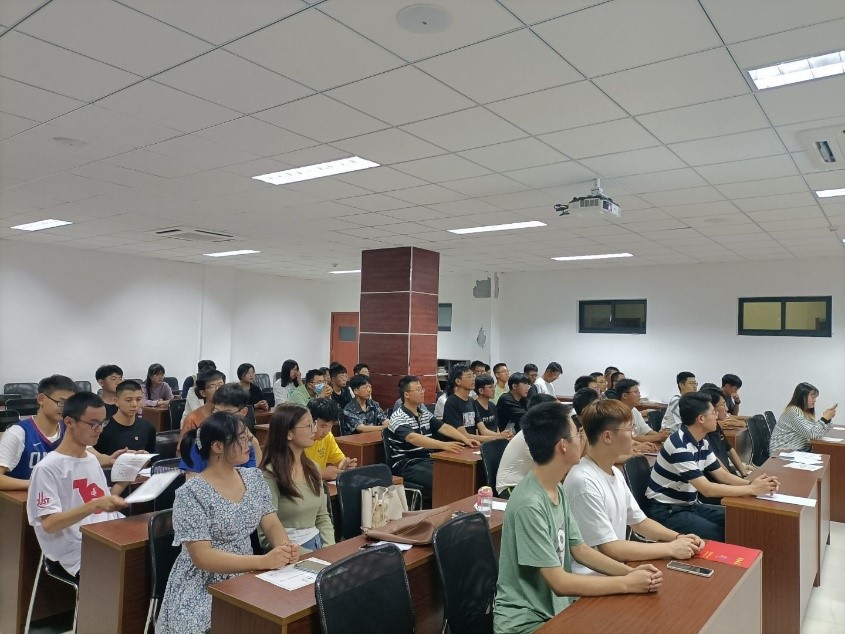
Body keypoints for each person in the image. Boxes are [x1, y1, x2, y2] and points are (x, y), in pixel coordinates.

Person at [493, 401, 662, 634]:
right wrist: (626, 583)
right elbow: (560, 583)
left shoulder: (555, 487)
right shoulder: (529, 504)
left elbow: (580, 549)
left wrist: (630, 572)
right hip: (527, 621)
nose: (583, 439)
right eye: (578, 434)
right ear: (563, 446)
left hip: (558, 608)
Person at [156, 412, 297, 634]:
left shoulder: (253, 478)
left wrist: (285, 550)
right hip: (203, 584)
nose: (248, 444)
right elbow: (202, 557)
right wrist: (263, 561)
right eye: (241, 439)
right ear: (217, 446)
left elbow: (271, 523)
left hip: (248, 574)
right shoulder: (191, 493)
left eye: (248, 437)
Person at [563, 399, 704, 574]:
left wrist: (678, 537)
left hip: (619, 570)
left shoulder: (614, 471)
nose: (634, 435)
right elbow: (610, 548)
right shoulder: (583, 482)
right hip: (593, 578)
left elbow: (640, 522)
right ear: (607, 437)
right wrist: (670, 548)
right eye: (630, 429)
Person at [647, 392, 779, 541]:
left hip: (689, 505)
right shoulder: (679, 445)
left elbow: (722, 475)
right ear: (701, 419)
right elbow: (707, 489)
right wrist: (752, 489)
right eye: (713, 412)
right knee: (723, 534)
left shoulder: (701, 442)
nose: (717, 416)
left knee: (739, 521)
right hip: (667, 510)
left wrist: (751, 484)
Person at [26, 392, 131, 579]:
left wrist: (125, 479)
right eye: (93, 424)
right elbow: (49, 524)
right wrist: (94, 505)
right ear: (69, 422)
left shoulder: (91, 459)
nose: (99, 430)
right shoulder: (47, 468)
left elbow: (102, 502)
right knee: (123, 572)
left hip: (105, 536)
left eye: (103, 423)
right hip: (74, 551)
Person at [256, 404, 336, 554]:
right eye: (308, 426)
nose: (314, 430)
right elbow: (266, 538)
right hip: (290, 552)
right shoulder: (269, 475)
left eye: (313, 424)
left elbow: (323, 517)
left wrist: (329, 549)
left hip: (318, 545)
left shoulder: (313, 468)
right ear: (289, 434)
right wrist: (311, 557)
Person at [387, 375, 479, 501]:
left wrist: (464, 438)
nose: (422, 392)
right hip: (407, 464)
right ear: (407, 394)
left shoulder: (424, 413)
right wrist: (443, 445)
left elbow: (443, 427)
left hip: (426, 459)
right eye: (418, 390)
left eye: (422, 389)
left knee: (457, 472)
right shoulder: (398, 416)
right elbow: (412, 438)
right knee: (443, 478)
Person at [0, 375, 78, 490]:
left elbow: (91, 455)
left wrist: (108, 459)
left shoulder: (69, 428)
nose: (66, 409)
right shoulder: (18, 433)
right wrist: (36, 484)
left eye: (69, 404)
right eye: (61, 402)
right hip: (25, 497)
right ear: (41, 399)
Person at [180, 383, 263, 471]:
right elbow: (191, 476)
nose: (220, 418)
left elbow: (253, 472)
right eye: (216, 412)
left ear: (243, 412)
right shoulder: (202, 440)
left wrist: (252, 441)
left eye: (227, 414)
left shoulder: (245, 442)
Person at [496, 393, 558, 497]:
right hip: (511, 487)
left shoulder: (543, 433)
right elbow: (550, 465)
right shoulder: (530, 436)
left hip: (528, 484)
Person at [442, 365, 510, 443]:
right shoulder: (452, 402)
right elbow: (464, 435)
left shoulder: (471, 401)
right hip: (459, 446)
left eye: (473, 376)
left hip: (473, 444)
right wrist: (497, 437)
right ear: (458, 381)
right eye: (469, 376)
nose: (473, 379)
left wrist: (501, 435)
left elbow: (483, 430)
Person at [770, 382, 837, 453]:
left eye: (815, 398)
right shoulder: (794, 411)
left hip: (797, 451)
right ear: (802, 397)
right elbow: (813, 434)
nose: (815, 400)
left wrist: (827, 420)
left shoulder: (805, 412)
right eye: (812, 397)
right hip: (783, 452)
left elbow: (817, 432)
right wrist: (824, 419)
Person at [700, 387, 751, 478]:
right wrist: (741, 481)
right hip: (719, 480)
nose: (727, 409)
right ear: (711, 408)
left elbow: (730, 450)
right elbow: (717, 467)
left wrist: (744, 474)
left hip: (728, 474)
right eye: (723, 405)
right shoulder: (702, 434)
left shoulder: (715, 425)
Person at [94, 380, 156, 455]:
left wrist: (147, 457)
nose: (134, 404)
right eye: (128, 400)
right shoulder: (102, 429)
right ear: (116, 401)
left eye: (138, 399)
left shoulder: (148, 427)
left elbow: (153, 456)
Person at [304, 399, 357, 480]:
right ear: (310, 422)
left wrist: (344, 466)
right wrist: (321, 474)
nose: (326, 432)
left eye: (330, 426)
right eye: (323, 426)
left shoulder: (328, 436)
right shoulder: (299, 440)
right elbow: (291, 475)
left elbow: (339, 461)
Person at [615, 378, 669, 446]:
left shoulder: (634, 410)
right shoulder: (616, 413)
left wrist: (662, 436)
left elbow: (646, 430)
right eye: (636, 392)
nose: (639, 395)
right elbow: (631, 437)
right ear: (624, 395)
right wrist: (658, 437)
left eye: (639, 392)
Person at [180, 369, 226, 441]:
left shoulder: (231, 413)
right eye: (212, 386)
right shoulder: (192, 419)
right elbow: (183, 446)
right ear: (203, 393)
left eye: (221, 385)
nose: (218, 389)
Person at [474, 374, 512, 442]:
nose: (494, 390)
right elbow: (478, 433)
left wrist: (501, 436)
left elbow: (496, 428)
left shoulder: (492, 405)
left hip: (495, 441)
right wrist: (500, 436)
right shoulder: (474, 407)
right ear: (481, 391)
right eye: (490, 387)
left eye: (493, 386)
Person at [181, 360, 216, 424]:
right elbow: (197, 412)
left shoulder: (217, 390)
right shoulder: (192, 390)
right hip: (193, 423)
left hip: (212, 422)